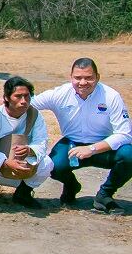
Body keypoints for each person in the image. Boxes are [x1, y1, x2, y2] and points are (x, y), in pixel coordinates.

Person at [32, 58, 131, 213]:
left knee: (129, 155)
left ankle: (105, 195)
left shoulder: (111, 96)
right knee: (52, 166)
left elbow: (124, 134)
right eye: (78, 78)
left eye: (89, 78)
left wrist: (91, 149)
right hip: (72, 144)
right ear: (71, 77)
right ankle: (71, 187)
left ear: (97, 77)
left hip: (103, 146)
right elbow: (25, 103)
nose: (83, 82)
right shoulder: (60, 94)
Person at [0, 76, 52, 209]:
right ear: (7, 98)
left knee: (47, 164)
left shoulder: (35, 115)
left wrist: (30, 150)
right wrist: (6, 162)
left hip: (21, 162)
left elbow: (41, 141)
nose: (23, 101)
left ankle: (23, 193)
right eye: (18, 96)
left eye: (27, 96)